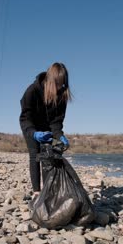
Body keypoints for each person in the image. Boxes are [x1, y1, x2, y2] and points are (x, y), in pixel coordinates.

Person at [19, 62, 72, 199]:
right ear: (50, 81)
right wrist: (34, 133)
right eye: (58, 83)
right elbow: (25, 118)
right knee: (35, 154)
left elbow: (56, 121)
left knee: (54, 150)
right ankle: (37, 191)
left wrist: (60, 136)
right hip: (31, 127)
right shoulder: (32, 91)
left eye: (63, 84)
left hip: (48, 129)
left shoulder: (62, 95)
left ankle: (50, 188)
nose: (60, 87)